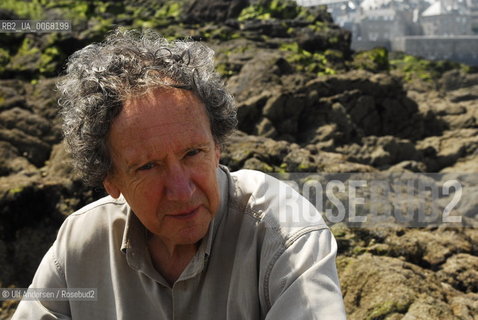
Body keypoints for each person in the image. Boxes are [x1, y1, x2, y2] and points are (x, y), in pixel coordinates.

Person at [12, 29, 346, 319]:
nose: (182, 190)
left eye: (192, 153)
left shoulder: (286, 232)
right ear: (110, 180)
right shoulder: (81, 245)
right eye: (147, 166)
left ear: (217, 147)